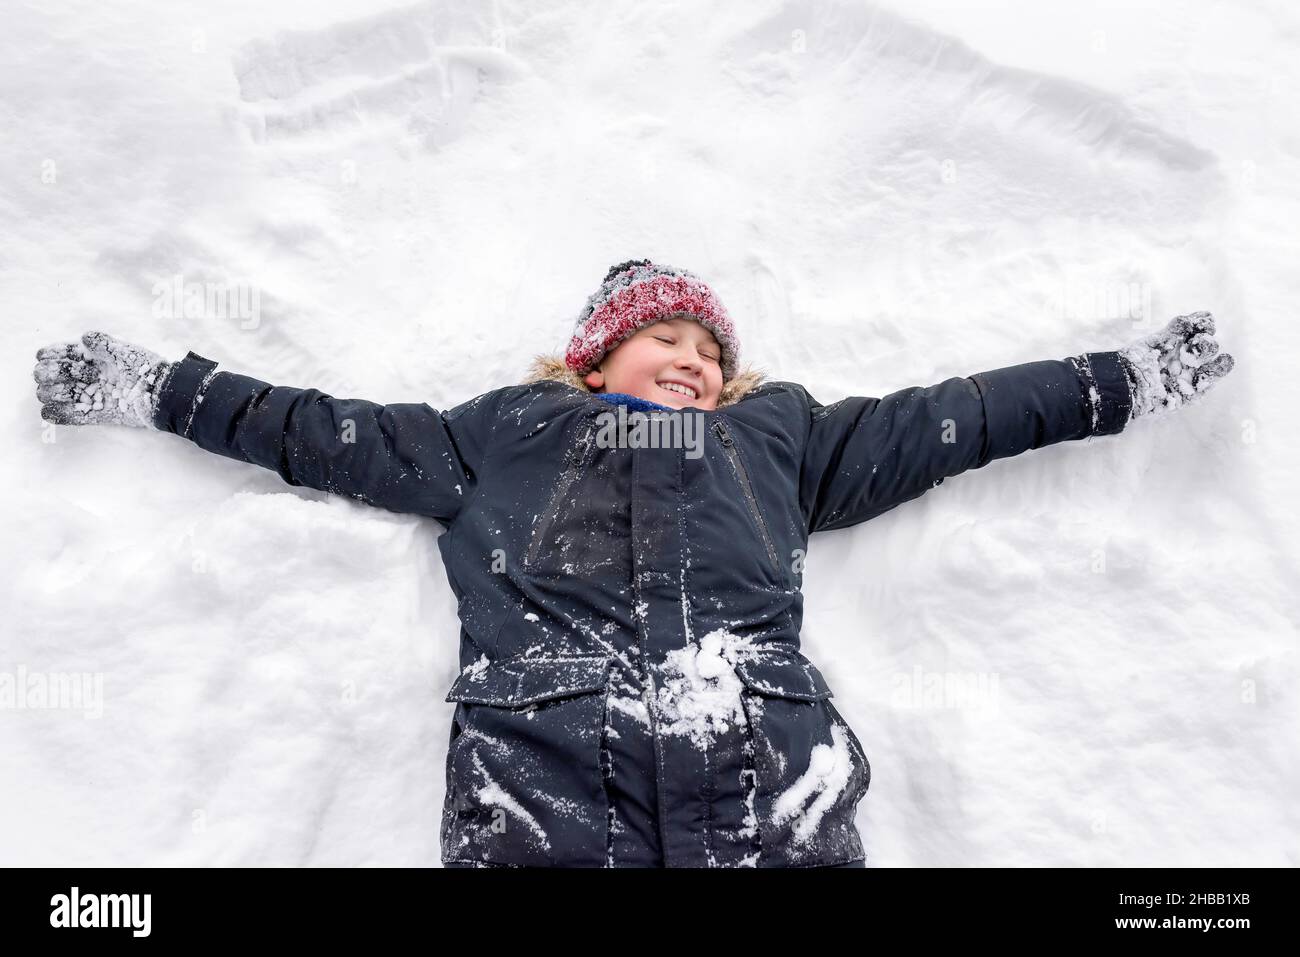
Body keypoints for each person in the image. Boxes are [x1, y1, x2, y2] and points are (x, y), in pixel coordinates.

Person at [32, 259, 1234, 868]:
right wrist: (160, 387)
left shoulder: (783, 439)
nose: (694, 364)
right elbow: (311, 426)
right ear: (594, 360)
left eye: (710, 352)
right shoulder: (497, 435)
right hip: (547, 775)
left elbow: (955, 417)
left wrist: (1120, 379)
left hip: (768, 770)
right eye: (666, 339)